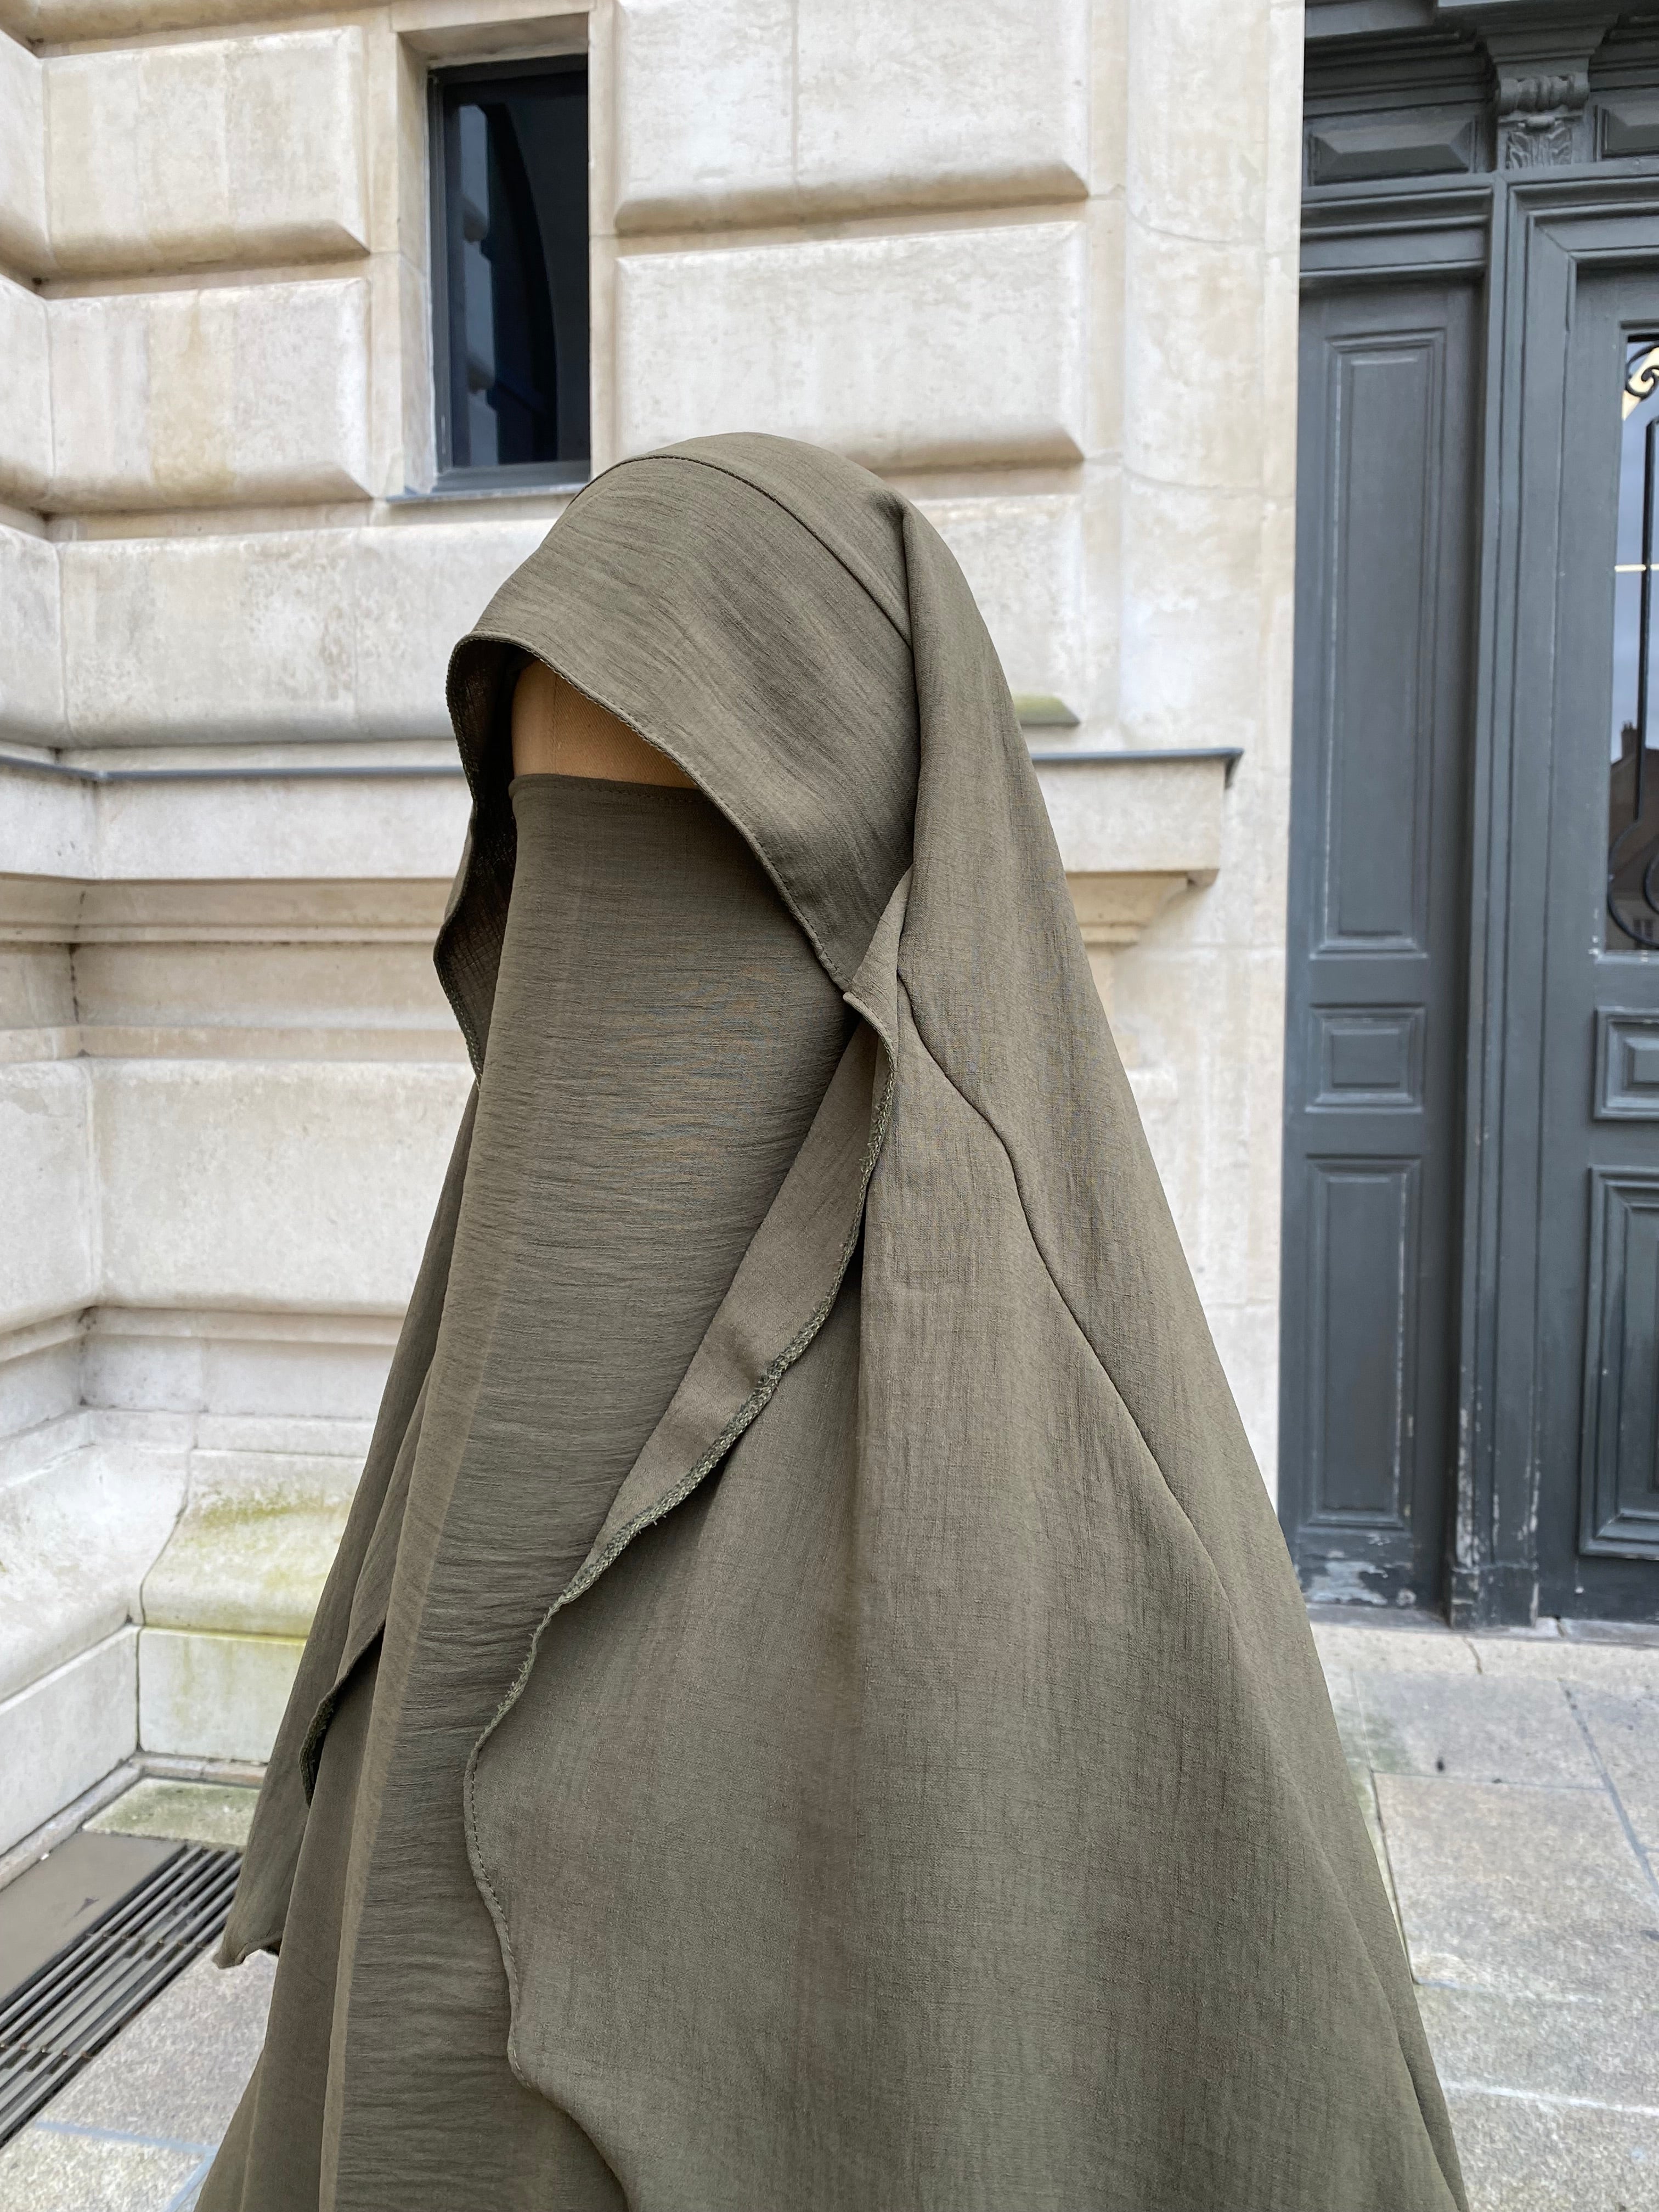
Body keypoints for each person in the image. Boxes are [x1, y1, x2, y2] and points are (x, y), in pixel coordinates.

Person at [201, 433, 1466, 2212]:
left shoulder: (1062, 1500)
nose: (602, 994)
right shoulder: (488, 1355)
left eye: (701, 883)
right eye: (559, 883)